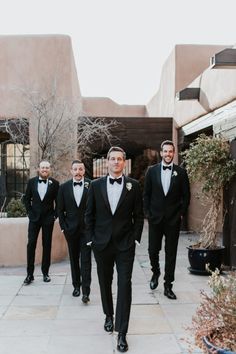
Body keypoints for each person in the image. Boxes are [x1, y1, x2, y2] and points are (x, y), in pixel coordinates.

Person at [85, 146, 144, 353]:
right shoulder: (95, 185)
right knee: (104, 282)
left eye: (120, 159)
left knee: (124, 284)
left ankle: (122, 332)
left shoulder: (134, 186)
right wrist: (91, 239)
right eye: (113, 159)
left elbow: (139, 214)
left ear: (124, 163)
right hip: (101, 244)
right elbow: (89, 215)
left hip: (125, 245)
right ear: (107, 162)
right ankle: (108, 315)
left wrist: (135, 238)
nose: (116, 162)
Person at [143, 140, 190, 300]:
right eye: (165, 151)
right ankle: (155, 272)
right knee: (152, 250)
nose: (168, 154)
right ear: (161, 153)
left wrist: (181, 214)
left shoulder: (181, 172)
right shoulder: (152, 171)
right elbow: (146, 195)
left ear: (174, 153)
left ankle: (168, 285)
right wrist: (147, 213)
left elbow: (186, 195)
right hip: (155, 219)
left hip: (173, 220)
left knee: (171, 254)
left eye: (171, 151)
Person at [57, 160, 91, 303]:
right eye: (75, 169)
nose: (78, 172)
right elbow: (60, 210)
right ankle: (76, 286)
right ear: (71, 171)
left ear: (84, 171)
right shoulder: (63, 188)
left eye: (80, 169)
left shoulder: (92, 185)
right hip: (70, 230)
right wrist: (64, 227)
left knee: (86, 260)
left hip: (87, 230)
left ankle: (86, 291)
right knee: (74, 259)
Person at [23, 160, 59, 285]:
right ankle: (29, 274)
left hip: (48, 219)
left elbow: (58, 202)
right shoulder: (31, 182)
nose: (44, 169)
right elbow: (26, 199)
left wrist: (55, 215)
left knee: (47, 245)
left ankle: (45, 273)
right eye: (43, 167)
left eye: (47, 168)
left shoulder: (55, 184)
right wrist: (29, 213)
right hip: (34, 219)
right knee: (31, 244)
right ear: (39, 169)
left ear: (50, 170)